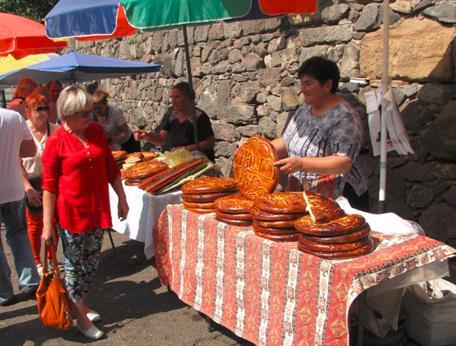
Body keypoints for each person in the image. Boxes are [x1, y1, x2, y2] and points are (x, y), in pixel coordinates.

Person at [41, 85, 129, 340]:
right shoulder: (56, 142)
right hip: (71, 214)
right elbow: (48, 186)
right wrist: (47, 224)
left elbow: (111, 168)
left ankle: (81, 304)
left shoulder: (95, 131)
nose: (89, 117)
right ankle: (80, 317)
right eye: (83, 113)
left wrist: (122, 199)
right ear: (67, 114)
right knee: (73, 265)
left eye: (90, 112)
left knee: (90, 263)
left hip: (97, 209)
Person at [272, 56, 369, 210]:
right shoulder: (305, 109)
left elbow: (343, 162)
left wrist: (301, 164)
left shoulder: (345, 117)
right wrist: (259, 149)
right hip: (304, 194)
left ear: (327, 85)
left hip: (340, 198)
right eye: (302, 83)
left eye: (308, 83)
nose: (303, 89)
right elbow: (286, 141)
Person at [0, 107, 40, 306]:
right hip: (12, 187)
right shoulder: (12, 117)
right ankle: (30, 281)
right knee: (18, 234)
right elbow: (30, 151)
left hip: (11, 188)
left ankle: (4, 292)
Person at [21, 94, 59, 276]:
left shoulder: (55, 129)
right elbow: (16, 162)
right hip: (32, 182)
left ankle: (52, 258)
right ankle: (37, 261)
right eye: (38, 109)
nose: (43, 112)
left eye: (46, 108)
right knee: (35, 225)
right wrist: (27, 186)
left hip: (51, 181)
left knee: (53, 222)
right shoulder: (22, 132)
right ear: (28, 111)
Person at [134, 82, 215, 161]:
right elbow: (161, 139)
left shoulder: (199, 117)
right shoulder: (171, 113)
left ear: (188, 98)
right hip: (178, 160)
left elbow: (210, 142)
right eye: (172, 97)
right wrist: (147, 136)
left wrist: (185, 149)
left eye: (177, 97)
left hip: (198, 161)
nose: (173, 101)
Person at [92, 89, 140, 153]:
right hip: (113, 145)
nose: (97, 111)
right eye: (95, 108)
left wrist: (112, 141)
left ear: (105, 104)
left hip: (126, 142)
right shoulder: (94, 115)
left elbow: (124, 131)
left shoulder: (115, 112)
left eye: (99, 108)